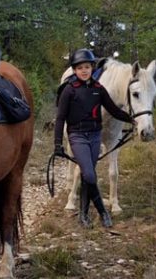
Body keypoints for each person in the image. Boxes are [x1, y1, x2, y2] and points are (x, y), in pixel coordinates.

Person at [54, 48, 134, 228]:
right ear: (74, 70)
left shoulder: (99, 89)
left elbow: (114, 110)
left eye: (87, 67)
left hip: (95, 136)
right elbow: (60, 118)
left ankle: (83, 215)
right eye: (80, 67)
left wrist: (133, 120)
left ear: (92, 69)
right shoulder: (69, 90)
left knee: (87, 175)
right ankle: (102, 211)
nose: (84, 70)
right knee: (90, 174)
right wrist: (58, 143)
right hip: (77, 136)